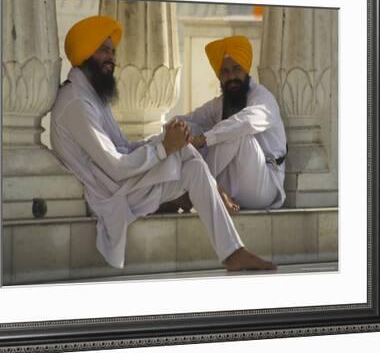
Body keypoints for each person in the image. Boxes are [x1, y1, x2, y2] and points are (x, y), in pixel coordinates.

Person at [50, 16, 275, 272]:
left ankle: (233, 251)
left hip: (119, 184)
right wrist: (163, 147)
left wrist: (166, 141)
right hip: (108, 192)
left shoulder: (91, 95)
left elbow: (122, 147)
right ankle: (217, 223)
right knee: (186, 158)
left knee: (190, 161)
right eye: (104, 50)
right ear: (85, 51)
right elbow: (116, 166)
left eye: (112, 51)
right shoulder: (77, 103)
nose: (111, 57)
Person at [169, 35, 287, 212]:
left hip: (262, 187)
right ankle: (197, 186)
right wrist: (172, 131)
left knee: (236, 133)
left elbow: (244, 123)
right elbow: (186, 120)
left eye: (236, 69)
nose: (231, 76)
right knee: (185, 128)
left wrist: (203, 139)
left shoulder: (263, 99)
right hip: (229, 182)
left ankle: (194, 187)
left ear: (246, 70)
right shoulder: (219, 104)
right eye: (224, 71)